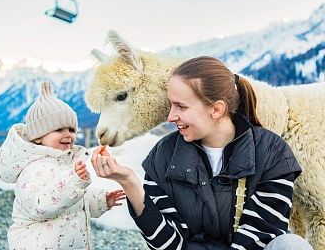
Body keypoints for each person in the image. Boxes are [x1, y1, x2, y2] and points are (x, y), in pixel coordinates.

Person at [91, 56, 313, 250]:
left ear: (216, 109)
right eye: (170, 105)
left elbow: (261, 234)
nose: (170, 117)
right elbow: (168, 244)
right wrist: (129, 182)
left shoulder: (271, 153)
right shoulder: (163, 156)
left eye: (181, 107)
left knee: (291, 245)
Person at [0, 81, 125, 250]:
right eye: (59, 130)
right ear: (37, 137)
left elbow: (75, 201)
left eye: (71, 129)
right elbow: (42, 205)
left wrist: (101, 200)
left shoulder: (65, 164)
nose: (68, 135)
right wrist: (73, 181)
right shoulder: (34, 169)